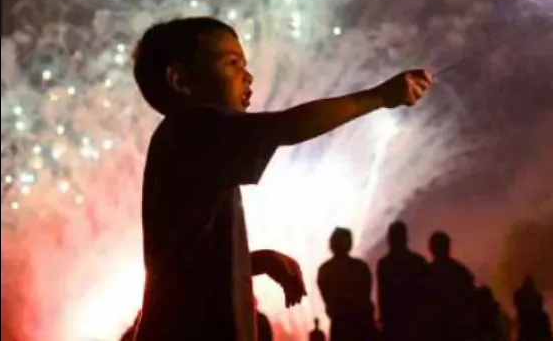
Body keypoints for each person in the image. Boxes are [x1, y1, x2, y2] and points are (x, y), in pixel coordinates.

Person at [130, 17, 433, 340]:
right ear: (181, 80)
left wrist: (254, 261)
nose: (248, 77)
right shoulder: (191, 128)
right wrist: (380, 97)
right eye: (232, 64)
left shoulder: (195, 148)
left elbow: (187, 266)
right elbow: (286, 127)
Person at [317, 228, 378, 341]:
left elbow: (327, 300)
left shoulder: (325, 270)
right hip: (359, 325)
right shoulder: (360, 267)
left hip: (342, 325)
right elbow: (366, 298)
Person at [376, 221, 429, 341]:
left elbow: (383, 296)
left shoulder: (384, 264)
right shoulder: (418, 262)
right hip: (415, 322)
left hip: (394, 323)